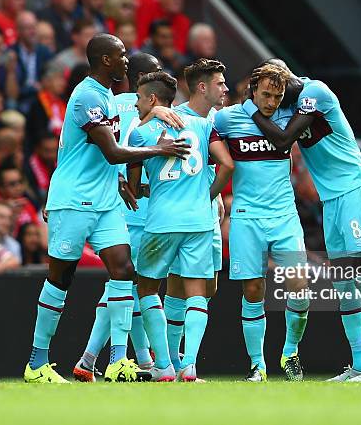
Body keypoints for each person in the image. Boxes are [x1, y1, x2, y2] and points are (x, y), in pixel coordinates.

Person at [23, 33, 191, 384]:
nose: (127, 60)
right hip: (74, 200)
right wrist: (159, 150)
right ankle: (37, 362)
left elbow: (108, 156)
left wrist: (121, 182)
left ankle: (118, 360)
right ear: (105, 61)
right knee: (60, 278)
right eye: (122, 55)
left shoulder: (109, 99)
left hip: (105, 202)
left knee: (123, 268)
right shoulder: (86, 97)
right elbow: (113, 151)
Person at [242, 59, 361, 381]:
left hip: (355, 189)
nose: (272, 101)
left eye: (275, 93)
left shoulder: (315, 92)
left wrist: (251, 111)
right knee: (341, 280)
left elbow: (283, 140)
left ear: (284, 82)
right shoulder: (289, 105)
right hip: (332, 199)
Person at [129, 71, 234, 381]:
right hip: (199, 221)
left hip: (162, 221)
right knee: (197, 293)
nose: (136, 104)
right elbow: (227, 165)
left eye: (138, 98)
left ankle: (162, 365)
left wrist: (143, 188)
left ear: (151, 98)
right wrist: (206, 196)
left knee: (147, 288)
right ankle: (189, 366)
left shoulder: (140, 133)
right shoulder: (203, 126)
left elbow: (134, 188)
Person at [213, 64, 309, 382]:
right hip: (246, 217)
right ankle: (258, 365)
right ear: (253, 90)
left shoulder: (288, 115)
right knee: (253, 290)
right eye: (266, 94)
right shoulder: (227, 118)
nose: (271, 102)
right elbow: (204, 141)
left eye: (277, 96)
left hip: (284, 216)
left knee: (300, 287)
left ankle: (290, 353)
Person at [72, 51, 163, 383]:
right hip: (142, 206)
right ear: (142, 80)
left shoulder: (108, 104)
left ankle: (133, 358)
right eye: (156, 72)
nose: (162, 76)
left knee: (126, 285)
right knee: (128, 286)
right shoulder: (151, 110)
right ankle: (94, 358)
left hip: (114, 202)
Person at [163, 58, 228, 374]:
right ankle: (178, 362)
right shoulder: (176, 119)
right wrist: (207, 195)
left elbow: (217, 165)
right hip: (185, 217)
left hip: (207, 214)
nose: (225, 88)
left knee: (209, 287)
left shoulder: (218, 118)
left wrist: (213, 196)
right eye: (219, 83)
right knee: (182, 287)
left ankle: (176, 361)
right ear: (202, 87)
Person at [10, 11, 54, 113]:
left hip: (41, 96)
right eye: (28, 28)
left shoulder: (44, 51)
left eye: (34, 27)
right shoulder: (11, 52)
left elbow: (51, 75)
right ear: (18, 31)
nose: (32, 32)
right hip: (20, 97)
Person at [25, 64, 66, 150]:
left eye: (63, 79)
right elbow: (37, 131)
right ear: (46, 81)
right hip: (44, 147)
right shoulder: (37, 103)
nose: (63, 83)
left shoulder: (64, 102)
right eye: (58, 79)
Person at [0, 165, 39, 236]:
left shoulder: (27, 204)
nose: (18, 187)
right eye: (12, 184)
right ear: (1, 188)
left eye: (20, 182)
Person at [25, 133, 57, 206]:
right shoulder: (27, 168)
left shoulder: (60, 166)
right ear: (37, 149)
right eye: (47, 150)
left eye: (54, 150)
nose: (51, 155)